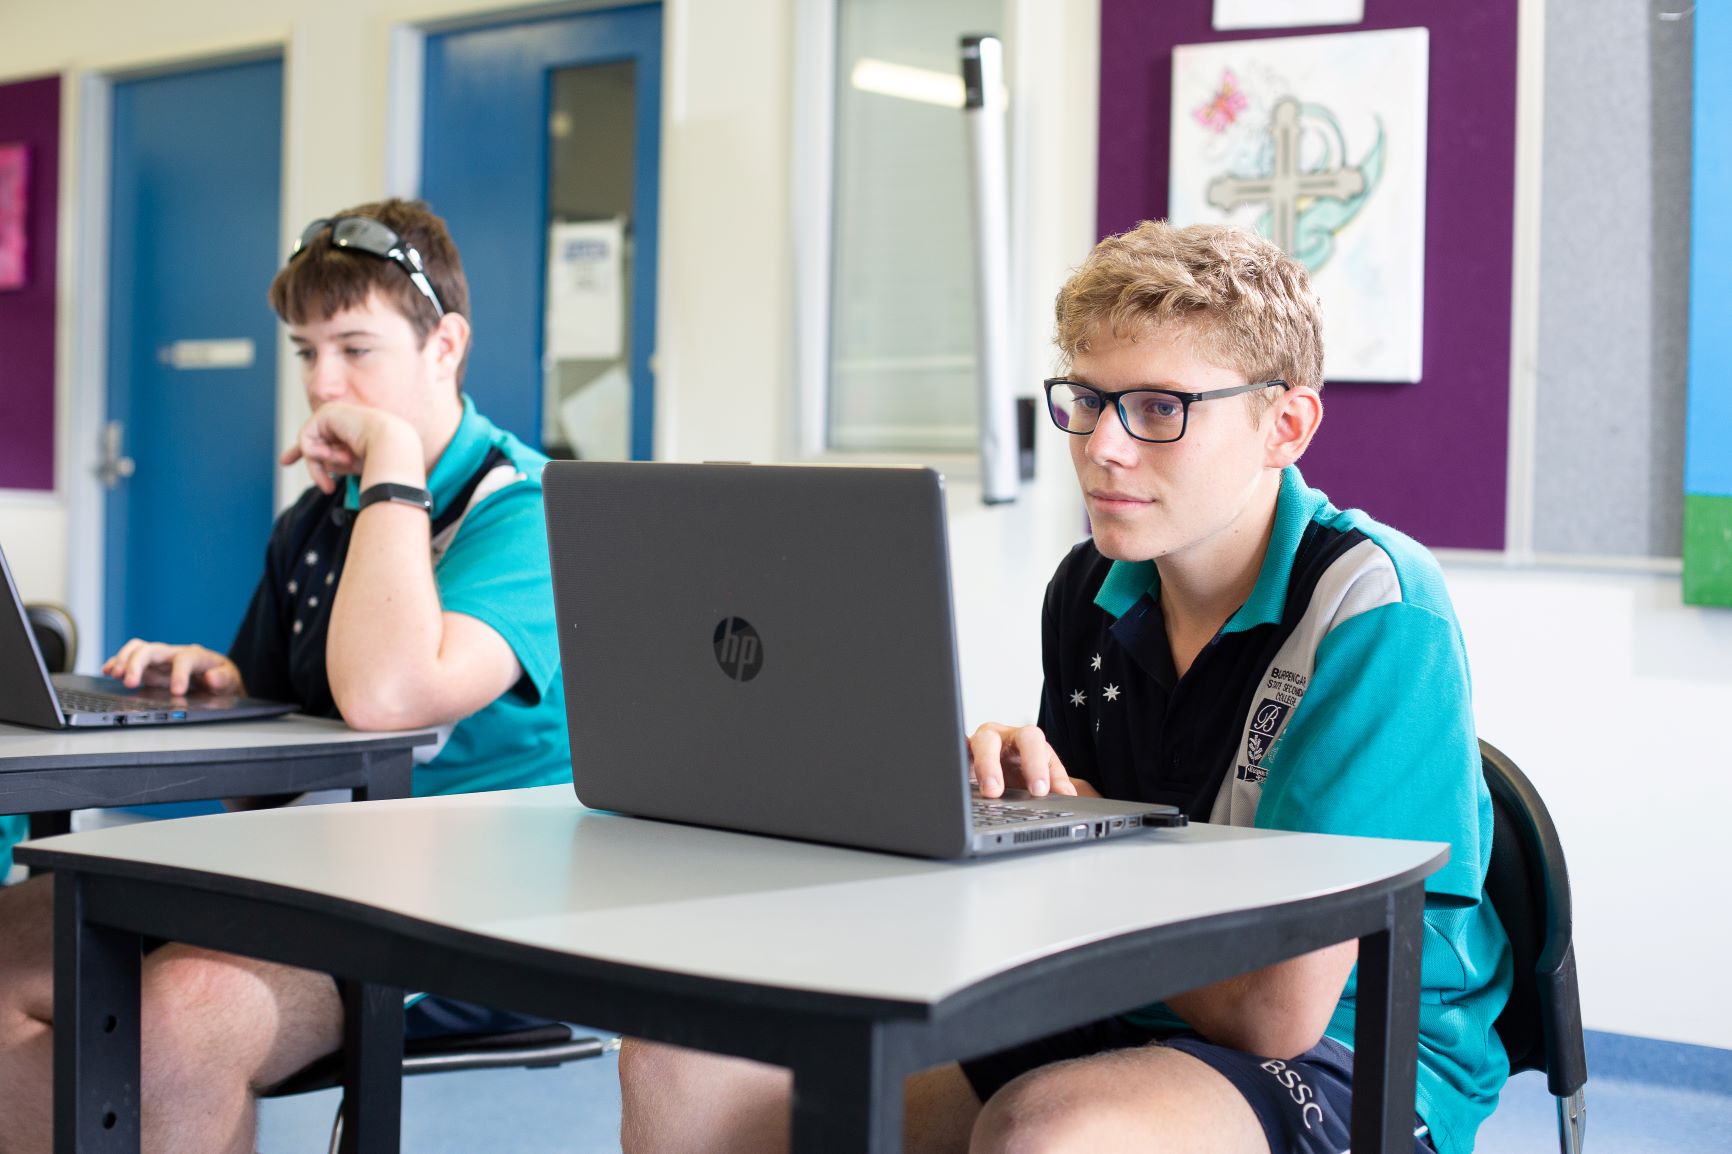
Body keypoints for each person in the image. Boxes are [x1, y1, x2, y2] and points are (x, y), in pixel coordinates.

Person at [616, 221, 1512, 1154]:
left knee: (1045, 1134)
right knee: (681, 1062)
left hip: (1355, 1045)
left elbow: (1270, 1009)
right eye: (1087, 399)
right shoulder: (1090, 584)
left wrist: (1081, 846)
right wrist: (1011, 807)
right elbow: (1059, 895)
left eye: (1161, 408)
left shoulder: (1374, 611)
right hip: (1122, 1001)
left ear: (1283, 426)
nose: (1104, 448)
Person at [0, 198, 569, 1154]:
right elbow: (257, 797)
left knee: (181, 1022)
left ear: (446, 347)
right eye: (306, 353)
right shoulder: (316, 525)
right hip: (314, 867)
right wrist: (220, 689)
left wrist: (391, 464)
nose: (324, 383)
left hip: (479, 900)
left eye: (356, 348)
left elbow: (389, 695)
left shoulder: (527, 513)